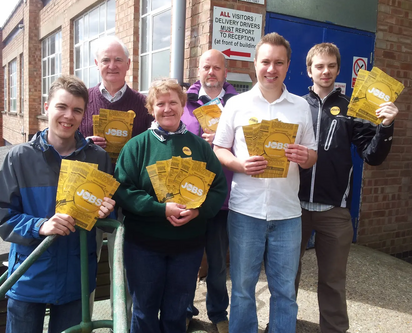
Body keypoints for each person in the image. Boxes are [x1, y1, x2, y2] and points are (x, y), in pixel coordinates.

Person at [0, 75, 116, 333]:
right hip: (28, 274)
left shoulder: (98, 158)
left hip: (76, 277)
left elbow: (111, 217)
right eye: (61, 107)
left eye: (77, 110)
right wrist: (40, 226)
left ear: (83, 115)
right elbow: (2, 216)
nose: (68, 116)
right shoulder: (19, 158)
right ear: (47, 107)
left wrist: (107, 212)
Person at [213, 32, 318, 333]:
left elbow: (312, 156)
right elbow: (220, 148)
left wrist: (304, 156)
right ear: (254, 65)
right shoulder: (236, 104)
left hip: (287, 214)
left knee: (285, 291)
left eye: (279, 63)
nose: (271, 69)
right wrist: (239, 164)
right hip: (246, 211)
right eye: (266, 62)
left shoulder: (300, 107)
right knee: (244, 289)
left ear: (287, 66)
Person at [295, 43, 399, 333]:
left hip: (335, 211)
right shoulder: (296, 105)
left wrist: (386, 126)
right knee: (285, 274)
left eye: (330, 65)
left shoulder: (354, 108)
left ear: (338, 69)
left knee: (332, 280)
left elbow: (372, 156)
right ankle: (281, 325)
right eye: (319, 66)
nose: (325, 71)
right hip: (294, 208)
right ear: (309, 70)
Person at [113, 78, 227, 333]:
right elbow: (122, 189)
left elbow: (219, 187)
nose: (167, 109)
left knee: (176, 313)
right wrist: (160, 209)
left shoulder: (199, 147)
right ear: (151, 108)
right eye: (160, 103)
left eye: (173, 102)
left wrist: (198, 211)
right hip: (143, 245)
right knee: (143, 312)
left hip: (188, 246)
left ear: (182, 105)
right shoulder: (137, 146)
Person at [79, 36, 153, 320]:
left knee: (122, 267)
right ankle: (83, 320)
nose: (112, 65)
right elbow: (68, 146)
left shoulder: (144, 105)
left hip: (128, 198)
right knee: (86, 262)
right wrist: (84, 142)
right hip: (90, 196)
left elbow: (151, 150)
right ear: (97, 64)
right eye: (106, 60)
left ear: (128, 65)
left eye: (118, 60)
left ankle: (120, 323)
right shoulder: (82, 100)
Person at [181, 49, 238, 333]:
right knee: (187, 258)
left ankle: (218, 313)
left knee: (216, 264)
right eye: (206, 67)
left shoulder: (238, 104)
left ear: (225, 73)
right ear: (199, 71)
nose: (211, 72)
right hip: (187, 196)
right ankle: (186, 309)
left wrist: (224, 140)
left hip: (221, 199)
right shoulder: (184, 102)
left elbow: (250, 146)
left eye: (217, 68)